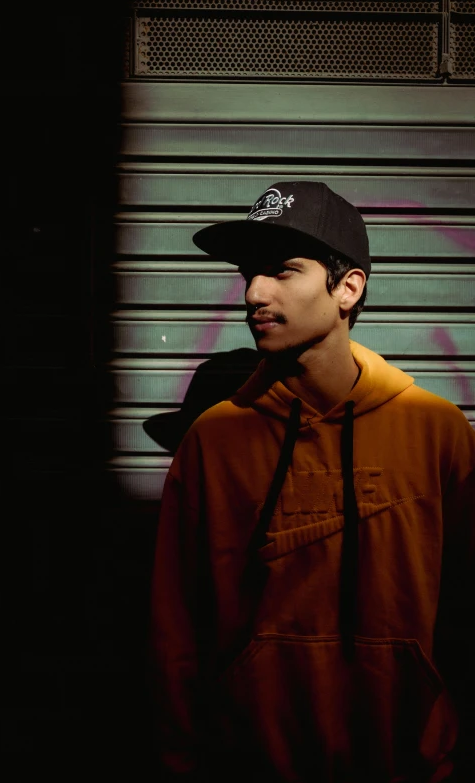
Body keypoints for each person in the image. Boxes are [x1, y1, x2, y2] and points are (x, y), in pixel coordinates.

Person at [149, 181, 475, 782]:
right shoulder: (213, 442)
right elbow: (177, 631)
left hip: (409, 764)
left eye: (282, 271)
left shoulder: (437, 432)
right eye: (250, 273)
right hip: (249, 764)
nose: (253, 293)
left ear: (348, 287)